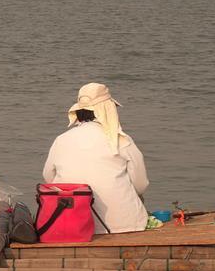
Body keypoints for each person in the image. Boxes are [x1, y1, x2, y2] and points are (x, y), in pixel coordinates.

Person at [42, 83, 149, 234]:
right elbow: (141, 184)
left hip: (70, 223)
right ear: (109, 110)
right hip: (125, 225)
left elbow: (49, 178)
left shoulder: (61, 140)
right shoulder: (122, 140)